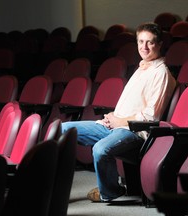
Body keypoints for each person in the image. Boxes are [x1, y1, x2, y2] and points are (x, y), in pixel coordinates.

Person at [61, 22, 176, 202]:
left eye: (150, 42)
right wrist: (113, 117)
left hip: (135, 132)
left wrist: (119, 121)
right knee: (63, 129)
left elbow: (151, 117)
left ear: (160, 44)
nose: (144, 47)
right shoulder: (141, 69)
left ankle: (110, 191)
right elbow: (132, 105)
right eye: (140, 41)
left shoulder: (161, 73)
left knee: (100, 149)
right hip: (116, 126)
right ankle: (54, 187)